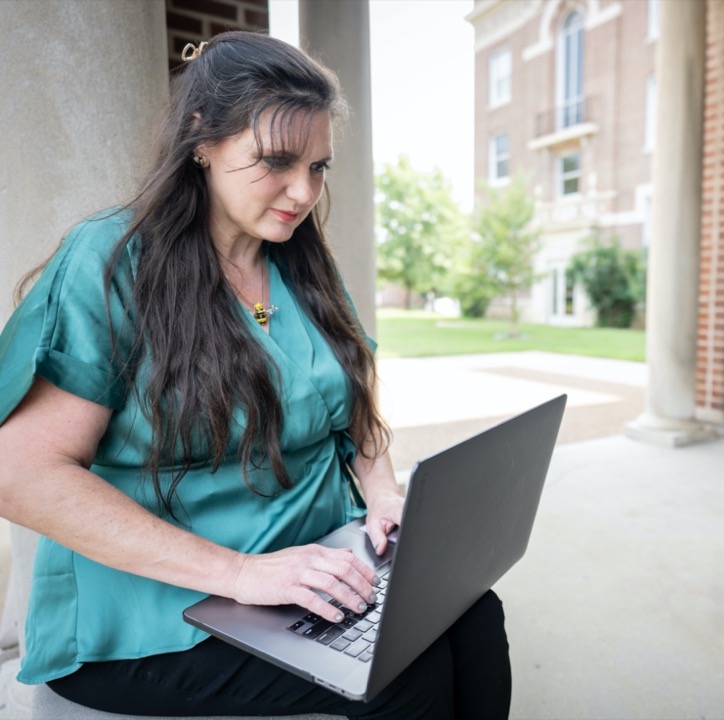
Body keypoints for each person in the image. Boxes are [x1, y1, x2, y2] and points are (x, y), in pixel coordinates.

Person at [0, 32, 510, 719]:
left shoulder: (298, 260)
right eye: (275, 161)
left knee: (475, 616)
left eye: (319, 167)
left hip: (312, 567)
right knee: (400, 680)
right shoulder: (109, 260)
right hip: (162, 610)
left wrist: (383, 493)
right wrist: (244, 574)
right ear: (201, 140)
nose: (303, 192)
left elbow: (350, 397)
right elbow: (21, 474)